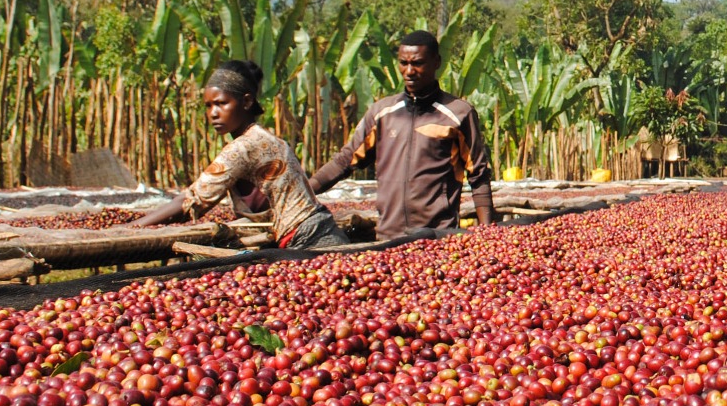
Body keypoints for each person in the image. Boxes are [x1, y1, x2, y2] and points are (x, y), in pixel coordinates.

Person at [136, 60, 351, 249]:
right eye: (208, 106)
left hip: (308, 240)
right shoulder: (269, 138)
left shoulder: (243, 148)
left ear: (247, 102)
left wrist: (134, 227)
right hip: (323, 231)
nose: (213, 113)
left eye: (221, 103)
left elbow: (192, 202)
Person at [309, 30, 495, 239]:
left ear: (436, 63)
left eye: (417, 63)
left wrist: (486, 236)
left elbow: (479, 176)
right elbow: (344, 161)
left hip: (439, 237)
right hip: (388, 236)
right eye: (403, 63)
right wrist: (304, 191)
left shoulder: (457, 114)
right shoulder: (382, 113)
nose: (409, 71)